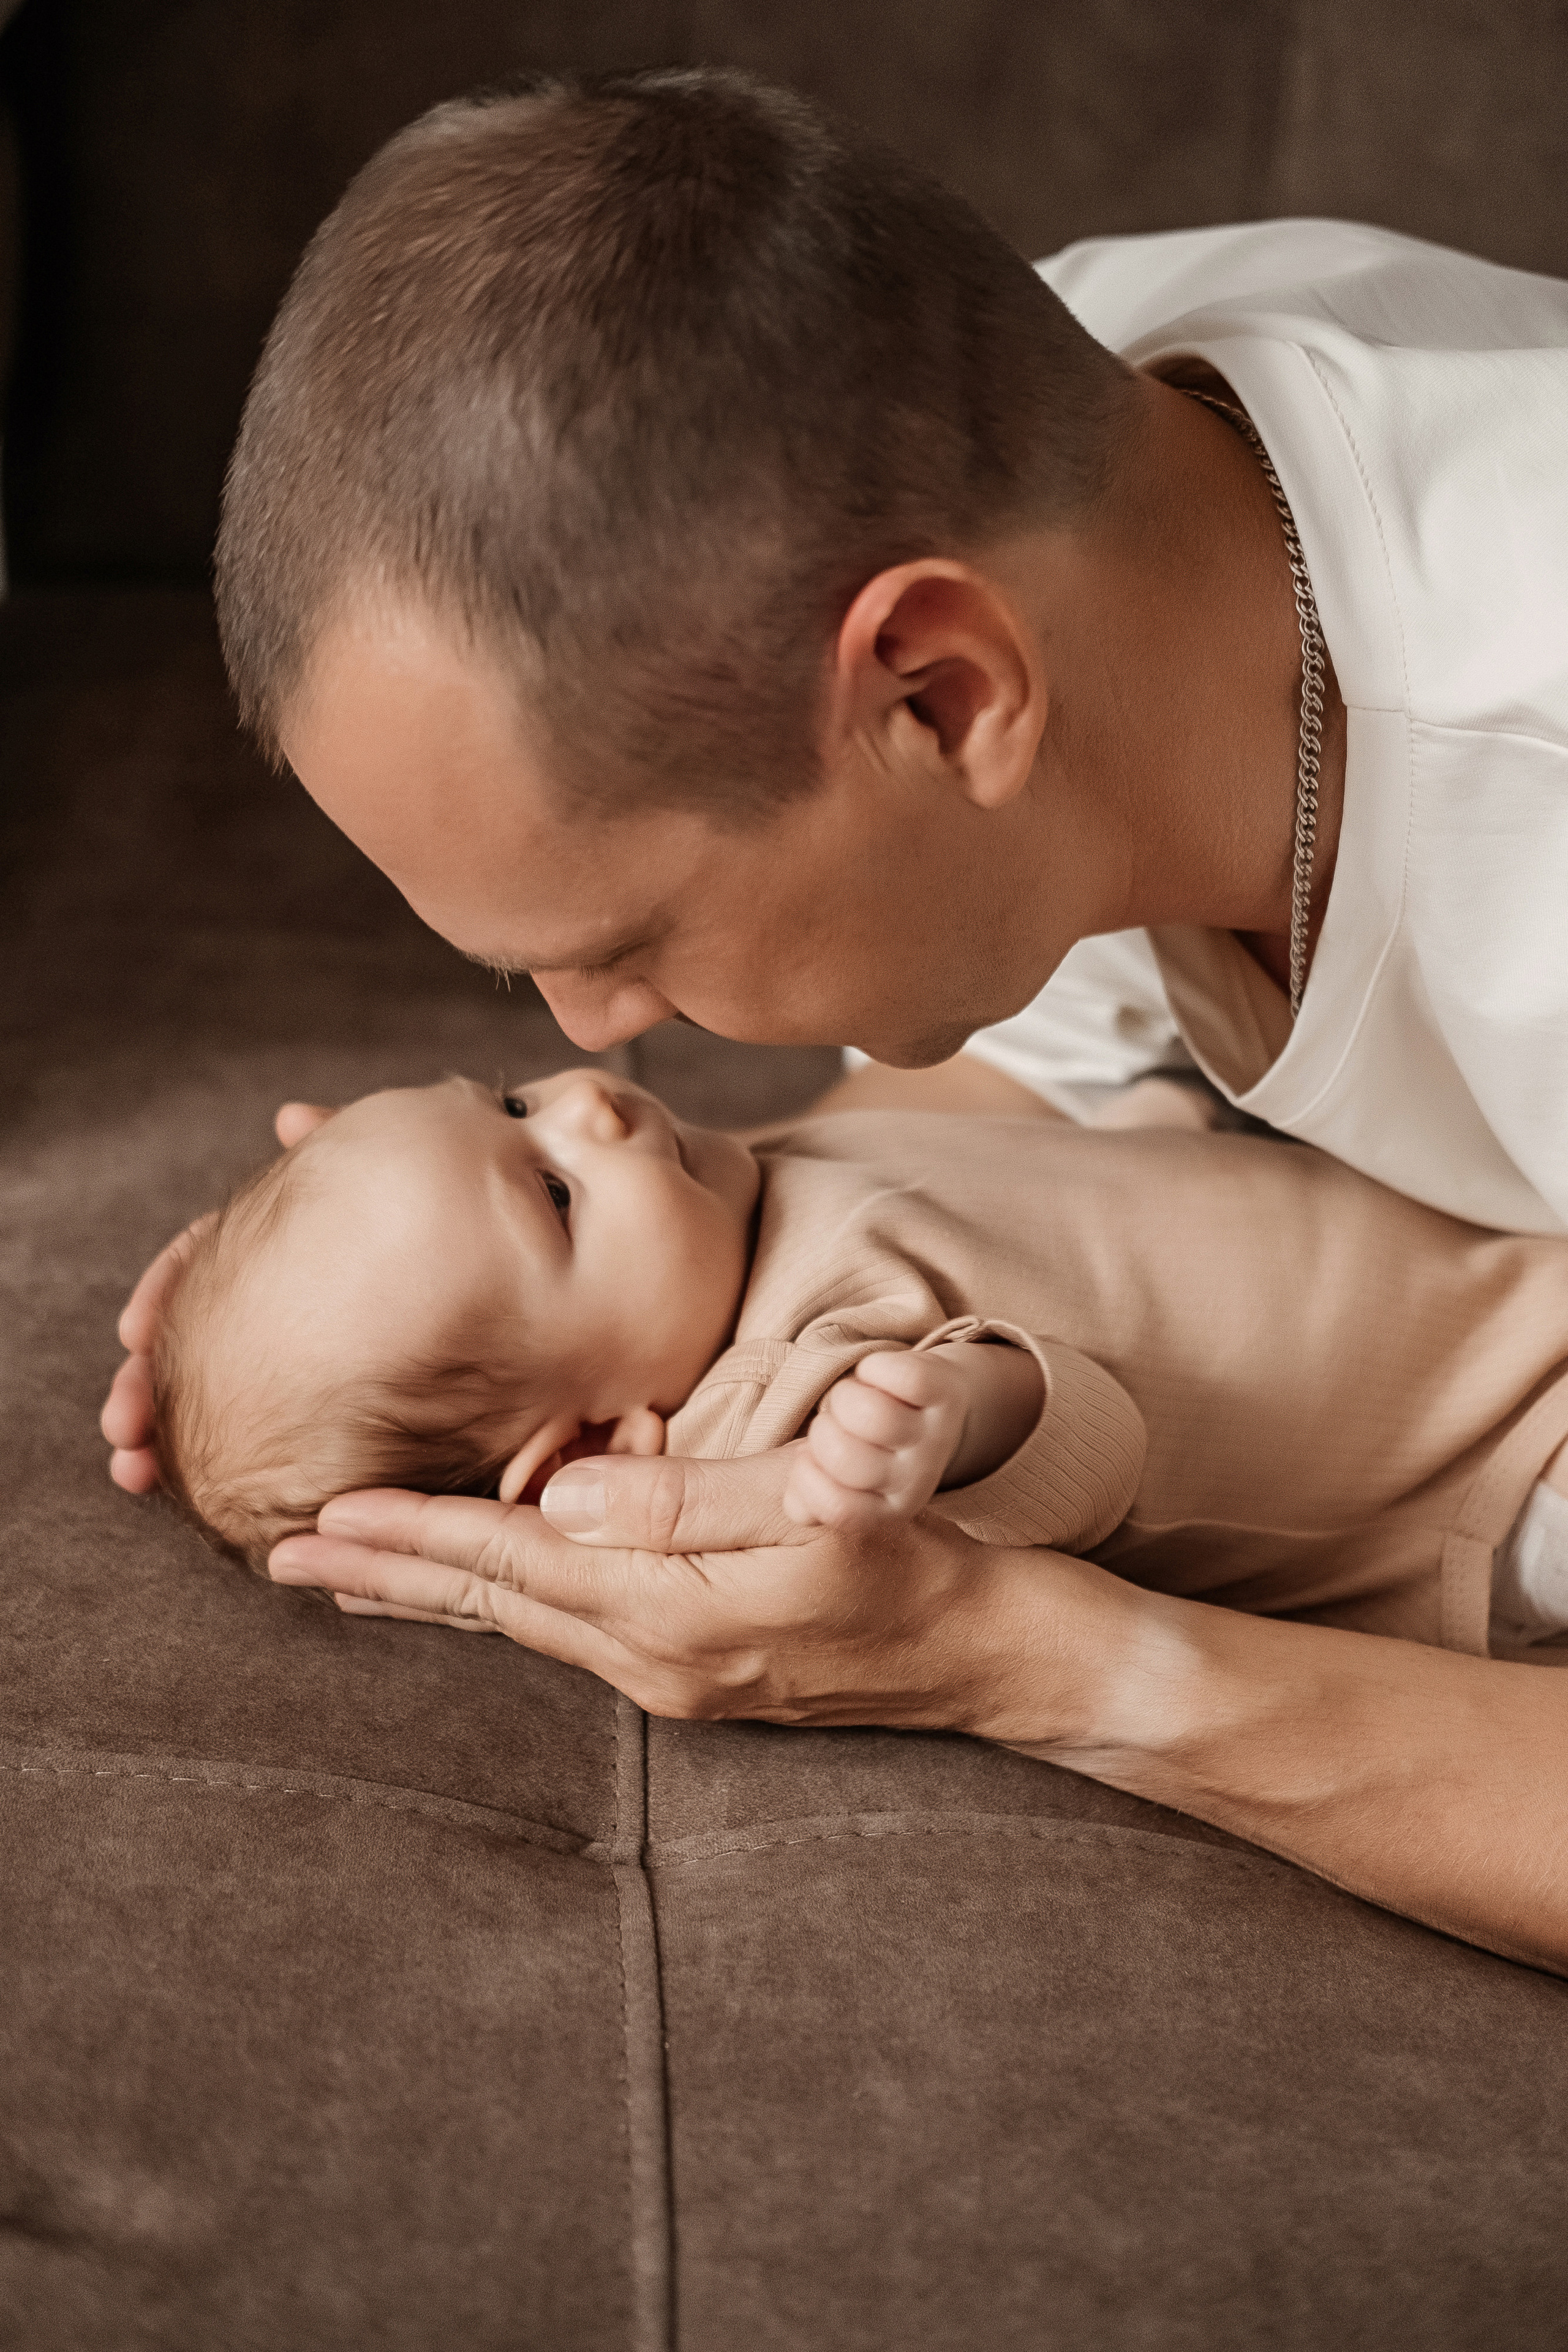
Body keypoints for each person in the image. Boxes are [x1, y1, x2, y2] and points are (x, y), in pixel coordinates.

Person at [99, 70, 1568, 1969]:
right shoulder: (1075, 436)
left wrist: (1029, 1662)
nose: (601, 1045)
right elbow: (1051, 1080)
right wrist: (323, 1319)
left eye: (622, 935)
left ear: (942, 696)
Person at [151, 1065, 1568, 1663]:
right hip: (1492, 1476)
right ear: (586, 1452)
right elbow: (1085, 1454)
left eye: (511, 1100)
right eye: (556, 1192)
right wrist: (948, 1421)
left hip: (1477, 1270)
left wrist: (1145, 1137)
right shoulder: (777, 1407)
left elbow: (1006, 1197)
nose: (590, 1101)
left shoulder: (744, 1196)